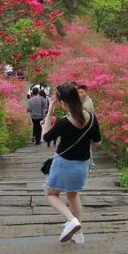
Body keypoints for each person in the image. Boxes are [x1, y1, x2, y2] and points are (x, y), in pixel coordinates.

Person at [41, 83, 102, 244]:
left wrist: (49, 114)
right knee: (73, 195)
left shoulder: (64, 122)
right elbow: (97, 143)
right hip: (82, 165)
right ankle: (78, 234)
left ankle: (71, 220)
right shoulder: (91, 117)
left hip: (63, 163)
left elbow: (45, 137)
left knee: (51, 194)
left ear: (62, 102)